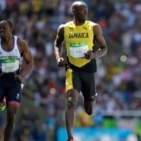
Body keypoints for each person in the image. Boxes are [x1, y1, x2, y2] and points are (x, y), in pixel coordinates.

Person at [53, 1, 108, 141]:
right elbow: (57, 44)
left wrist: (94, 54)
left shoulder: (94, 27)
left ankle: (92, 94)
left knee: (89, 111)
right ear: (73, 11)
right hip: (72, 69)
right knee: (71, 101)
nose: (86, 13)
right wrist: (59, 57)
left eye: (86, 10)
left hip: (88, 70)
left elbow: (104, 48)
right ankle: (70, 136)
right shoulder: (64, 28)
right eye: (82, 10)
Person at [0, 20, 34, 141]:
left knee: (11, 115)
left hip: (15, 81)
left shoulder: (20, 44)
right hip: (0, 80)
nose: (1, 31)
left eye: (4, 28)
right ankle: (2, 100)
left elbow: (30, 62)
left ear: (11, 29)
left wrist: (23, 76)